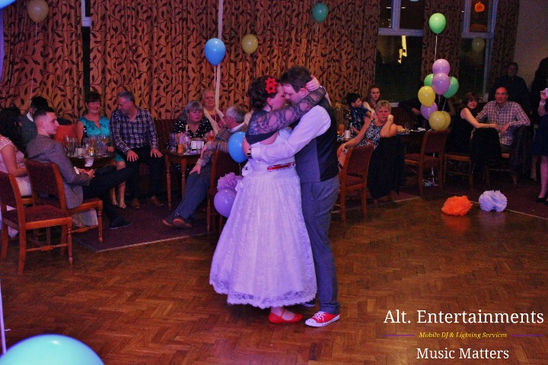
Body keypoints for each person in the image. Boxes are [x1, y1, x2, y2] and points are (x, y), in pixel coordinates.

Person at [210, 74, 327, 324]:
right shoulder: (267, 119)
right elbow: (304, 106)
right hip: (270, 188)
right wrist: (318, 88)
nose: (285, 99)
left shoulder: (264, 118)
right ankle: (276, 308)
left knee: (270, 244)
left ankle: (273, 301)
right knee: (274, 243)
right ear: (269, 99)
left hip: (276, 184)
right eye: (281, 95)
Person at [245, 66, 340, 327]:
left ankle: (330, 306)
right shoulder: (314, 105)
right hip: (311, 181)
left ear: (301, 91)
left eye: (288, 93)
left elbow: (289, 148)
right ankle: (312, 294)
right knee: (308, 239)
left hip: (319, 183)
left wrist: (255, 153)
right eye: (282, 93)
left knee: (318, 242)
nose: (286, 98)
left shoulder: (316, 114)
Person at [26, 108, 132, 229]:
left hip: (49, 193)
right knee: (124, 172)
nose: (58, 124)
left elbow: (57, 169)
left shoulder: (31, 144)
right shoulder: (54, 146)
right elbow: (71, 178)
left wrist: (80, 171)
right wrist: (87, 176)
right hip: (68, 193)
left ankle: (115, 218)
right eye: (53, 121)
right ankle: (115, 216)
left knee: (102, 178)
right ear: (41, 124)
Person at [162, 105, 246, 228]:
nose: (223, 118)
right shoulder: (225, 130)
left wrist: (214, 144)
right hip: (211, 165)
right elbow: (209, 148)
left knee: (202, 180)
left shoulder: (244, 132)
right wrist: (199, 163)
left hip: (227, 171)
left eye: (226, 117)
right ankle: (186, 217)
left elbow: (229, 148)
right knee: (193, 175)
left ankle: (180, 215)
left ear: (232, 119)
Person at [110, 90, 164, 209]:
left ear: (130, 103)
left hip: (142, 147)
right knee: (132, 162)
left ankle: (152, 194)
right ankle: (135, 197)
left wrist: (154, 147)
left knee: (158, 159)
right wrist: (128, 150)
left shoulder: (145, 114)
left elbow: (152, 134)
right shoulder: (116, 115)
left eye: (121, 104)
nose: (118, 107)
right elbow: (116, 138)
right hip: (126, 147)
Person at [77, 91, 127, 208]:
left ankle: (121, 198)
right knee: (110, 166)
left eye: (98, 103)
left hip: (109, 152)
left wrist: (112, 147)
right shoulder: (82, 122)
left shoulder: (106, 120)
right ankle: (112, 197)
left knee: (121, 163)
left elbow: (113, 139)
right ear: (87, 105)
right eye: (93, 103)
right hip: (93, 154)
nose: (96, 106)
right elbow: (81, 144)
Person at [0, 107, 32, 238]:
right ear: (11, 123)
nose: (21, 124)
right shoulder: (6, 144)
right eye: (18, 121)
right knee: (46, 184)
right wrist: (31, 168)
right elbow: (13, 171)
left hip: (5, 183)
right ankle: (45, 220)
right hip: (12, 184)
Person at [337, 100, 399, 166]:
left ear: (390, 113)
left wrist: (389, 120)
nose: (383, 114)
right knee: (341, 150)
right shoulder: (370, 122)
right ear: (376, 113)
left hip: (371, 155)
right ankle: (341, 174)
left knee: (343, 155)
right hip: (359, 149)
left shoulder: (393, 127)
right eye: (380, 111)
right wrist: (345, 144)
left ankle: (340, 174)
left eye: (386, 111)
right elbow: (357, 139)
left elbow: (383, 134)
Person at [476, 86, 531, 152]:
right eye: (498, 94)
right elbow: (478, 119)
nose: (500, 96)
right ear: (495, 95)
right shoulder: (490, 105)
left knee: (488, 149)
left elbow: (527, 121)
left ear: (507, 96)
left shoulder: (514, 106)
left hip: (505, 141)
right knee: (477, 145)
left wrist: (510, 124)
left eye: (503, 94)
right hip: (489, 139)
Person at [532, 89, 548, 204]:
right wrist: (542, 100)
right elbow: (541, 113)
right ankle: (543, 190)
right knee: (544, 159)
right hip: (546, 127)